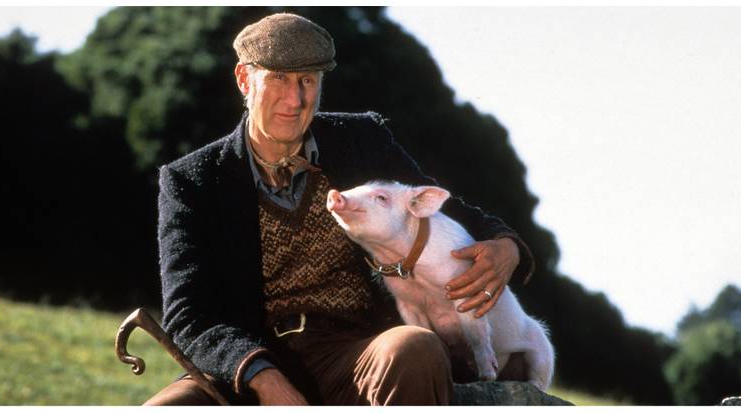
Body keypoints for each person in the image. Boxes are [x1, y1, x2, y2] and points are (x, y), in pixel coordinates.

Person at [144, 12, 535, 406]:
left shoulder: (359, 139)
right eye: (278, 78)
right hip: (248, 365)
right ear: (245, 79)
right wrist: (262, 376)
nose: (295, 100)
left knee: (414, 348)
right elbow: (187, 314)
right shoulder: (191, 180)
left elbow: (437, 206)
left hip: (360, 351)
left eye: (307, 81)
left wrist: (507, 245)